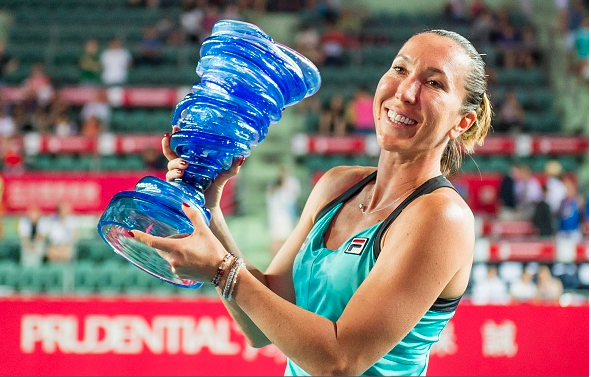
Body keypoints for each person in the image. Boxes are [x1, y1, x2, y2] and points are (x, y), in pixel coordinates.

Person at [130, 29, 491, 376]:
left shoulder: (441, 216)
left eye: (434, 83)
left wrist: (222, 270)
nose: (406, 91)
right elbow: (262, 327)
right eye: (400, 68)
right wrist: (209, 209)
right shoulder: (338, 185)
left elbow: (340, 360)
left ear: (463, 121)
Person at [266, 165, 302, 257]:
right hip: (276, 216)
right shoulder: (273, 184)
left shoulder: (292, 182)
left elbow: (294, 195)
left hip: (287, 215)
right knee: (276, 240)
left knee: (286, 240)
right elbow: (270, 199)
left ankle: (284, 260)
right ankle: (273, 260)